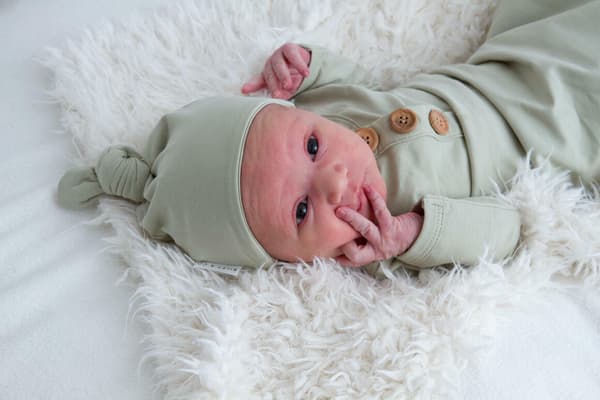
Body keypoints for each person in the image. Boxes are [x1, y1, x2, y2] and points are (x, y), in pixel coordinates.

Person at [57, 0, 600, 278]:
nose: (335, 180)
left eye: (312, 147)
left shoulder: (328, 113)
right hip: (563, 131)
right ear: (297, 262)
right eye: (299, 211)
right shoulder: (384, 238)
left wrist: (309, 68)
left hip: (507, 66)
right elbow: (509, 229)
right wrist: (415, 234)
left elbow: (363, 86)